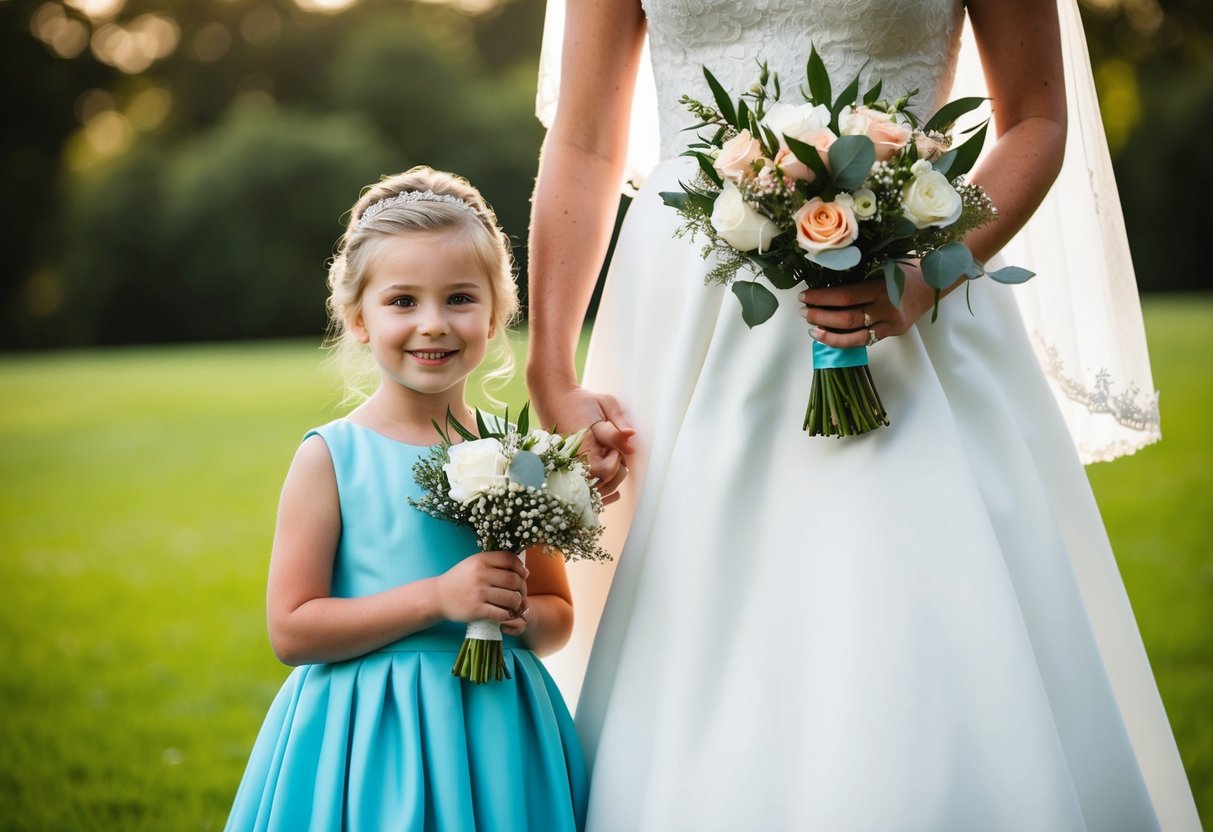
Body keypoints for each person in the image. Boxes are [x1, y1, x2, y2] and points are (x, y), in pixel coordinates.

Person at [527, 1, 1201, 830]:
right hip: (686, 312)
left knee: (915, 608)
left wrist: (921, 275)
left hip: (913, 299)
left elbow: (1034, 119)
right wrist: (549, 363)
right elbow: (586, 140)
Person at [225, 166, 587, 831]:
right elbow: (292, 628)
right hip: (367, 734)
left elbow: (557, 612)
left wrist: (516, 617)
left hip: (497, 730)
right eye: (401, 302)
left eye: (458, 298)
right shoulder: (330, 457)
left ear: (496, 312)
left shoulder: (523, 457)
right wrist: (437, 600)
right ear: (356, 318)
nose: (433, 324)